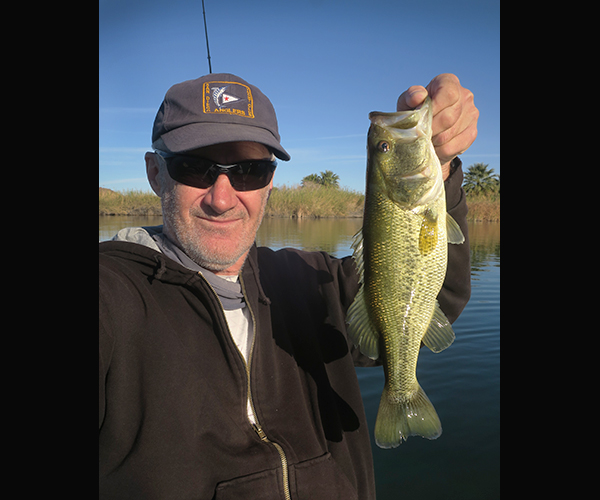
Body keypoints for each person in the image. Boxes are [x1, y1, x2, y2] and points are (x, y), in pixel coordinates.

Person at [99, 72, 478, 499]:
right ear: (154, 173)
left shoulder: (311, 282)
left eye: (248, 171)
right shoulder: (112, 294)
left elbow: (436, 295)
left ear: (271, 182)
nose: (221, 198)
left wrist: (442, 167)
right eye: (194, 167)